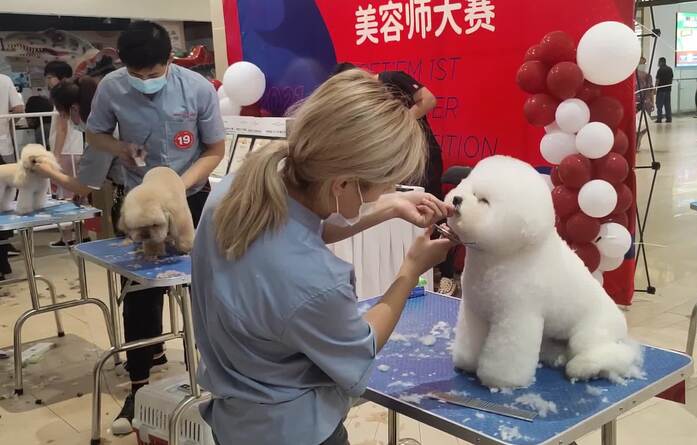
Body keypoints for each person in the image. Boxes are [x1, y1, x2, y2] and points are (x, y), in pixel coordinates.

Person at [192, 69, 454, 445]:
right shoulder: (314, 279)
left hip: (235, 424)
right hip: (293, 431)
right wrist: (410, 270)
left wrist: (391, 205)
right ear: (342, 183)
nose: (382, 193)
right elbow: (362, 347)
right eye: (382, 185)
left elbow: (306, 228)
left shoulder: (239, 191)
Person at [84, 21, 225, 435]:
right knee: (141, 296)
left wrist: (177, 187)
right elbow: (95, 134)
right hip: (140, 203)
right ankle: (138, 387)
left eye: (154, 72)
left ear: (170, 60)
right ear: (123, 65)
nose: (145, 80)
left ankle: (220, 383)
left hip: (189, 197)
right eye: (136, 73)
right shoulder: (111, 88)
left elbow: (215, 149)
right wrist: (120, 147)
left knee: (206, 292)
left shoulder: (197, 89)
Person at [332, 62, 458, 296]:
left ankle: (447, 275)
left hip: (424, 156)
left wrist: (396, 125)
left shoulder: (392, 78)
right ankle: (419, 272)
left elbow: (429, 100)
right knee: (415, 214)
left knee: (436, 211)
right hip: (399, 158)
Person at [44, 61, 86, 247]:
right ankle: (82, 234)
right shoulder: (73, 96)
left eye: (50, 77)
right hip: (75, 149)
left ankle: (67, 236)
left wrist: (56, 155)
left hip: (67, 151)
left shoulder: (61, 99)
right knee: (77, 194)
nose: (48, 81)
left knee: (65, 194)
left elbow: (62, 129)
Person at [0, 72, 24, 280]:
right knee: (5, 199)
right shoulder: (4, 79)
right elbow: (18, 108)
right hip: (3, 144)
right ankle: (4, 251)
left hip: (4, 145)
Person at [655, 57, 674, 123]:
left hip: (661, 90)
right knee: (667, 105)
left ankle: (659, 119)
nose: (658, 63)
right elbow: (671, 78)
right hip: (668, 90)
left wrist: (655, 88)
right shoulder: (670, 69)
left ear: (661, 62)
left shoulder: (660, 70)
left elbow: (657, 80)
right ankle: (669, 118)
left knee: (659, 105)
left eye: (659, 62)